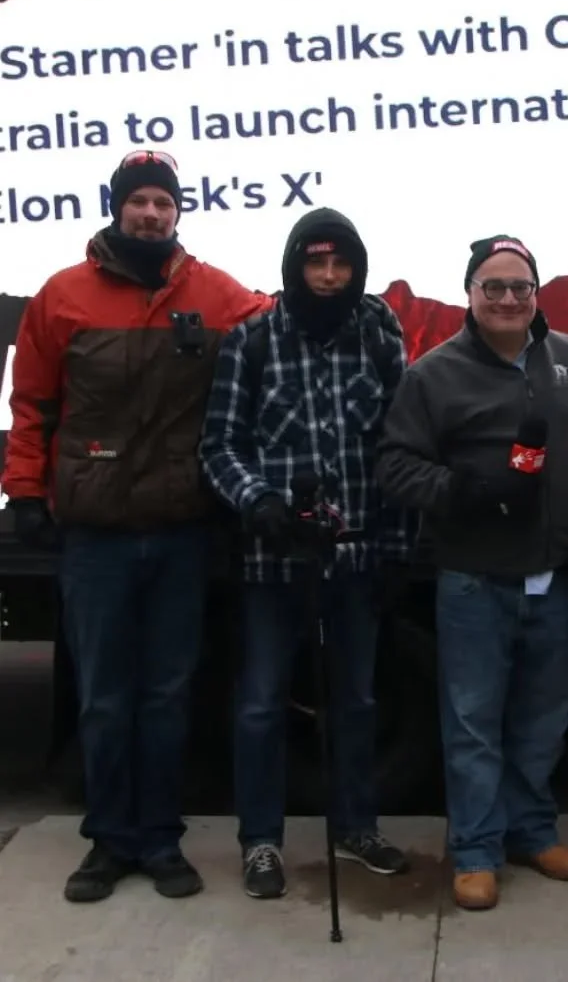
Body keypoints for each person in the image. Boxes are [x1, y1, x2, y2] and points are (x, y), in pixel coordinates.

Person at [0, 149, 271, 903]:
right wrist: (25, 491)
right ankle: (109, 842)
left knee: (167, 695)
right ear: (117, 207)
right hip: (96, 538)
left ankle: (159, 840)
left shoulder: (215, 293)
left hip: (181, 531)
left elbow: (282, 325)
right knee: (104, 697)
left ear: (177, 211)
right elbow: (33, 404)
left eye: (164, 202)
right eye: (139, 201)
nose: (151, 213)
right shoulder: (62, 296)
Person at [376, 234, 568, 912]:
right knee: (474, 722)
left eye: (520, 287)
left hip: (555, 576)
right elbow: (394, 465)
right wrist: (463, 490)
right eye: (494, 286)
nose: (508, 299)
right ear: (470, 292)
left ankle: (532, 832)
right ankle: (477, 850)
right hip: (473, 581)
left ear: (536, 293)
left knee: (545, 718)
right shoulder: (433, 374)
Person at [198, 207, 414, 900]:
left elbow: (401, 448)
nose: (328, 276)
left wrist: (396, 549)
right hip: (274, 562)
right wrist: (258, 500)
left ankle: (357, 826)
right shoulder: (252, 341)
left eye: (340, 263)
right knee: (262, 703)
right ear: (295, 267)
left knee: (357, 701)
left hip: (356, 560)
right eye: (316, 262)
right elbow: (218, 445)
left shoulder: (379, 339)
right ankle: (261, 840)